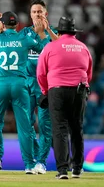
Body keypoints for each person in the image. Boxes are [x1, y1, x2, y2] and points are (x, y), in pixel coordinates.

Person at [0, 11, 49, 173]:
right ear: (17, 25)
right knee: (25, 126)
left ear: (3, 24)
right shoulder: (24, 38)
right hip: (20, 84)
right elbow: (44, 48)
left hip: (0, 85)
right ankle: (30, 165)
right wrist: (40, 33)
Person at [37, 17, 93, 179]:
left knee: (59, 129)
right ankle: (77, 168)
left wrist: (45, 91)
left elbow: (41, 73)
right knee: (77, 128)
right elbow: (88, 73)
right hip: (79, 90)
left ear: (59, 32)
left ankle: (62, 170)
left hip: (57, 90)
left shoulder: (50, 47)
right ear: (74, 32)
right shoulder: (83, 48)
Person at [20, 0, 58, 174]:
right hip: (26, 85)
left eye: (40, 11)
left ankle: (41, 162)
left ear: (46, 14)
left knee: (45, 125)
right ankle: (35, 156)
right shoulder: (24, 33)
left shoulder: (53, 34)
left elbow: (58, 51)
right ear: (30, 14)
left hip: (45, 87)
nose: (37, 14)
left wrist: (44, 33)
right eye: (34, 11)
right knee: (26, 124)